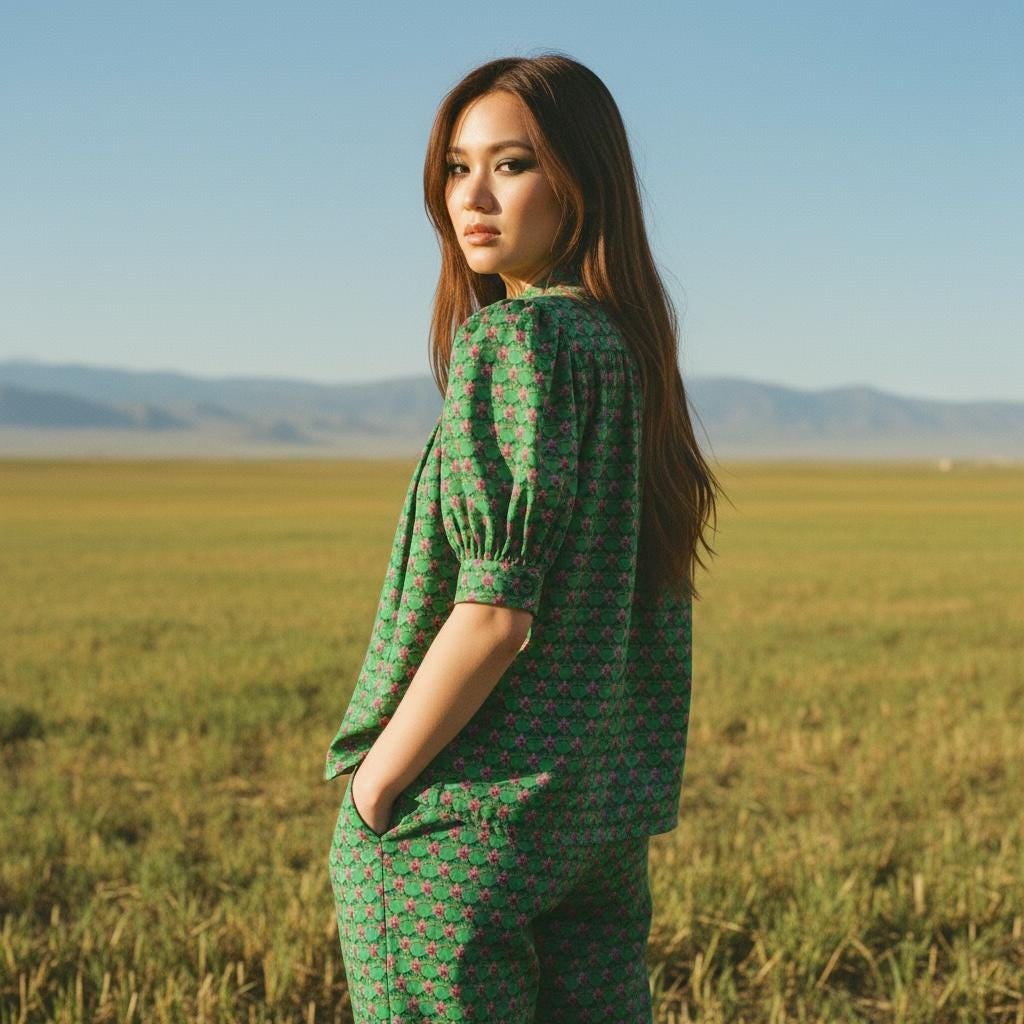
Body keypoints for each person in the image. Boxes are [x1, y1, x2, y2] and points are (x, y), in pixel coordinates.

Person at [324, 52, 721, 1024]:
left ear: (581, 181)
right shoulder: (628, 357)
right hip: (590, 829)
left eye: (511, 164)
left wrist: (375, 792)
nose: (473, 196)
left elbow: (494, 616)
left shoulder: (514, 342)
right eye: (457, 167)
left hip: (464, 827)